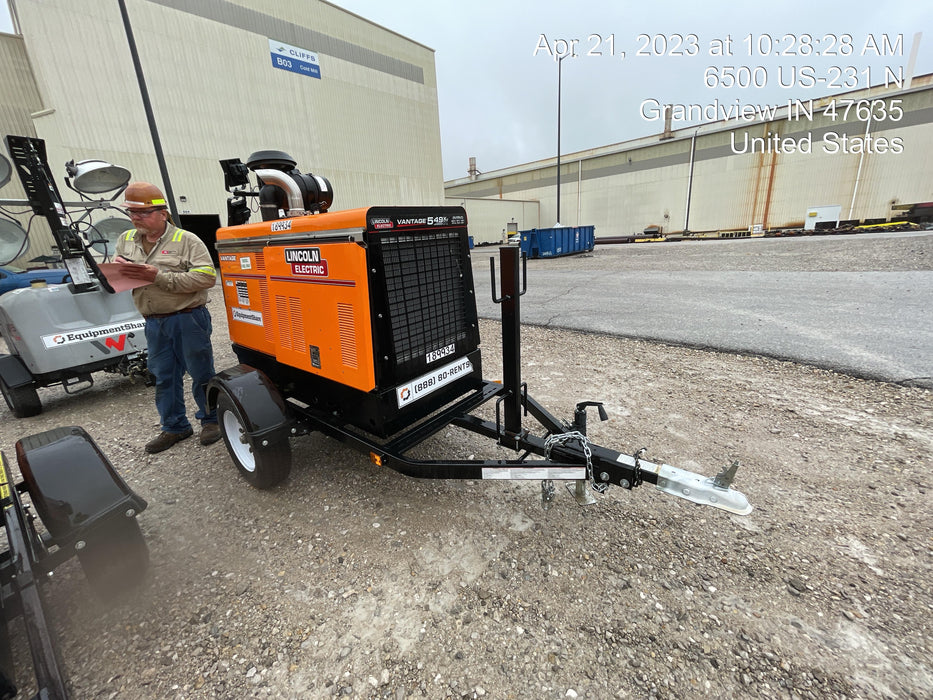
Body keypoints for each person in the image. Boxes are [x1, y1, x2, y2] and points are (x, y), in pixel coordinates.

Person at [114, 181, 221, 453]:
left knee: (201, 373)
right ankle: (175, 427)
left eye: (143, 213)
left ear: (162, 213)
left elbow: (207, 277)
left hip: (188, 318)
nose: (136, 218)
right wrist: (119, 273)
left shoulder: (186, 240)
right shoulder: (125, 240)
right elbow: (119, 274)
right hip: (154, 321)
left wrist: (157, 277)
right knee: (164, 376)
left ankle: (211, 420)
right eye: (132, 213)